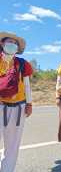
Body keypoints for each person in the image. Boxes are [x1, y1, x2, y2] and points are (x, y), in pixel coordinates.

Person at [0, 32, 33, 172]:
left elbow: (27, 85)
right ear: (2, 43)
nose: (12, 45)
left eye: (15, 43)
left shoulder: (22, 63)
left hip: (19, 106)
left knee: (12, 145)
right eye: (9, 41)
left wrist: (29, 103)